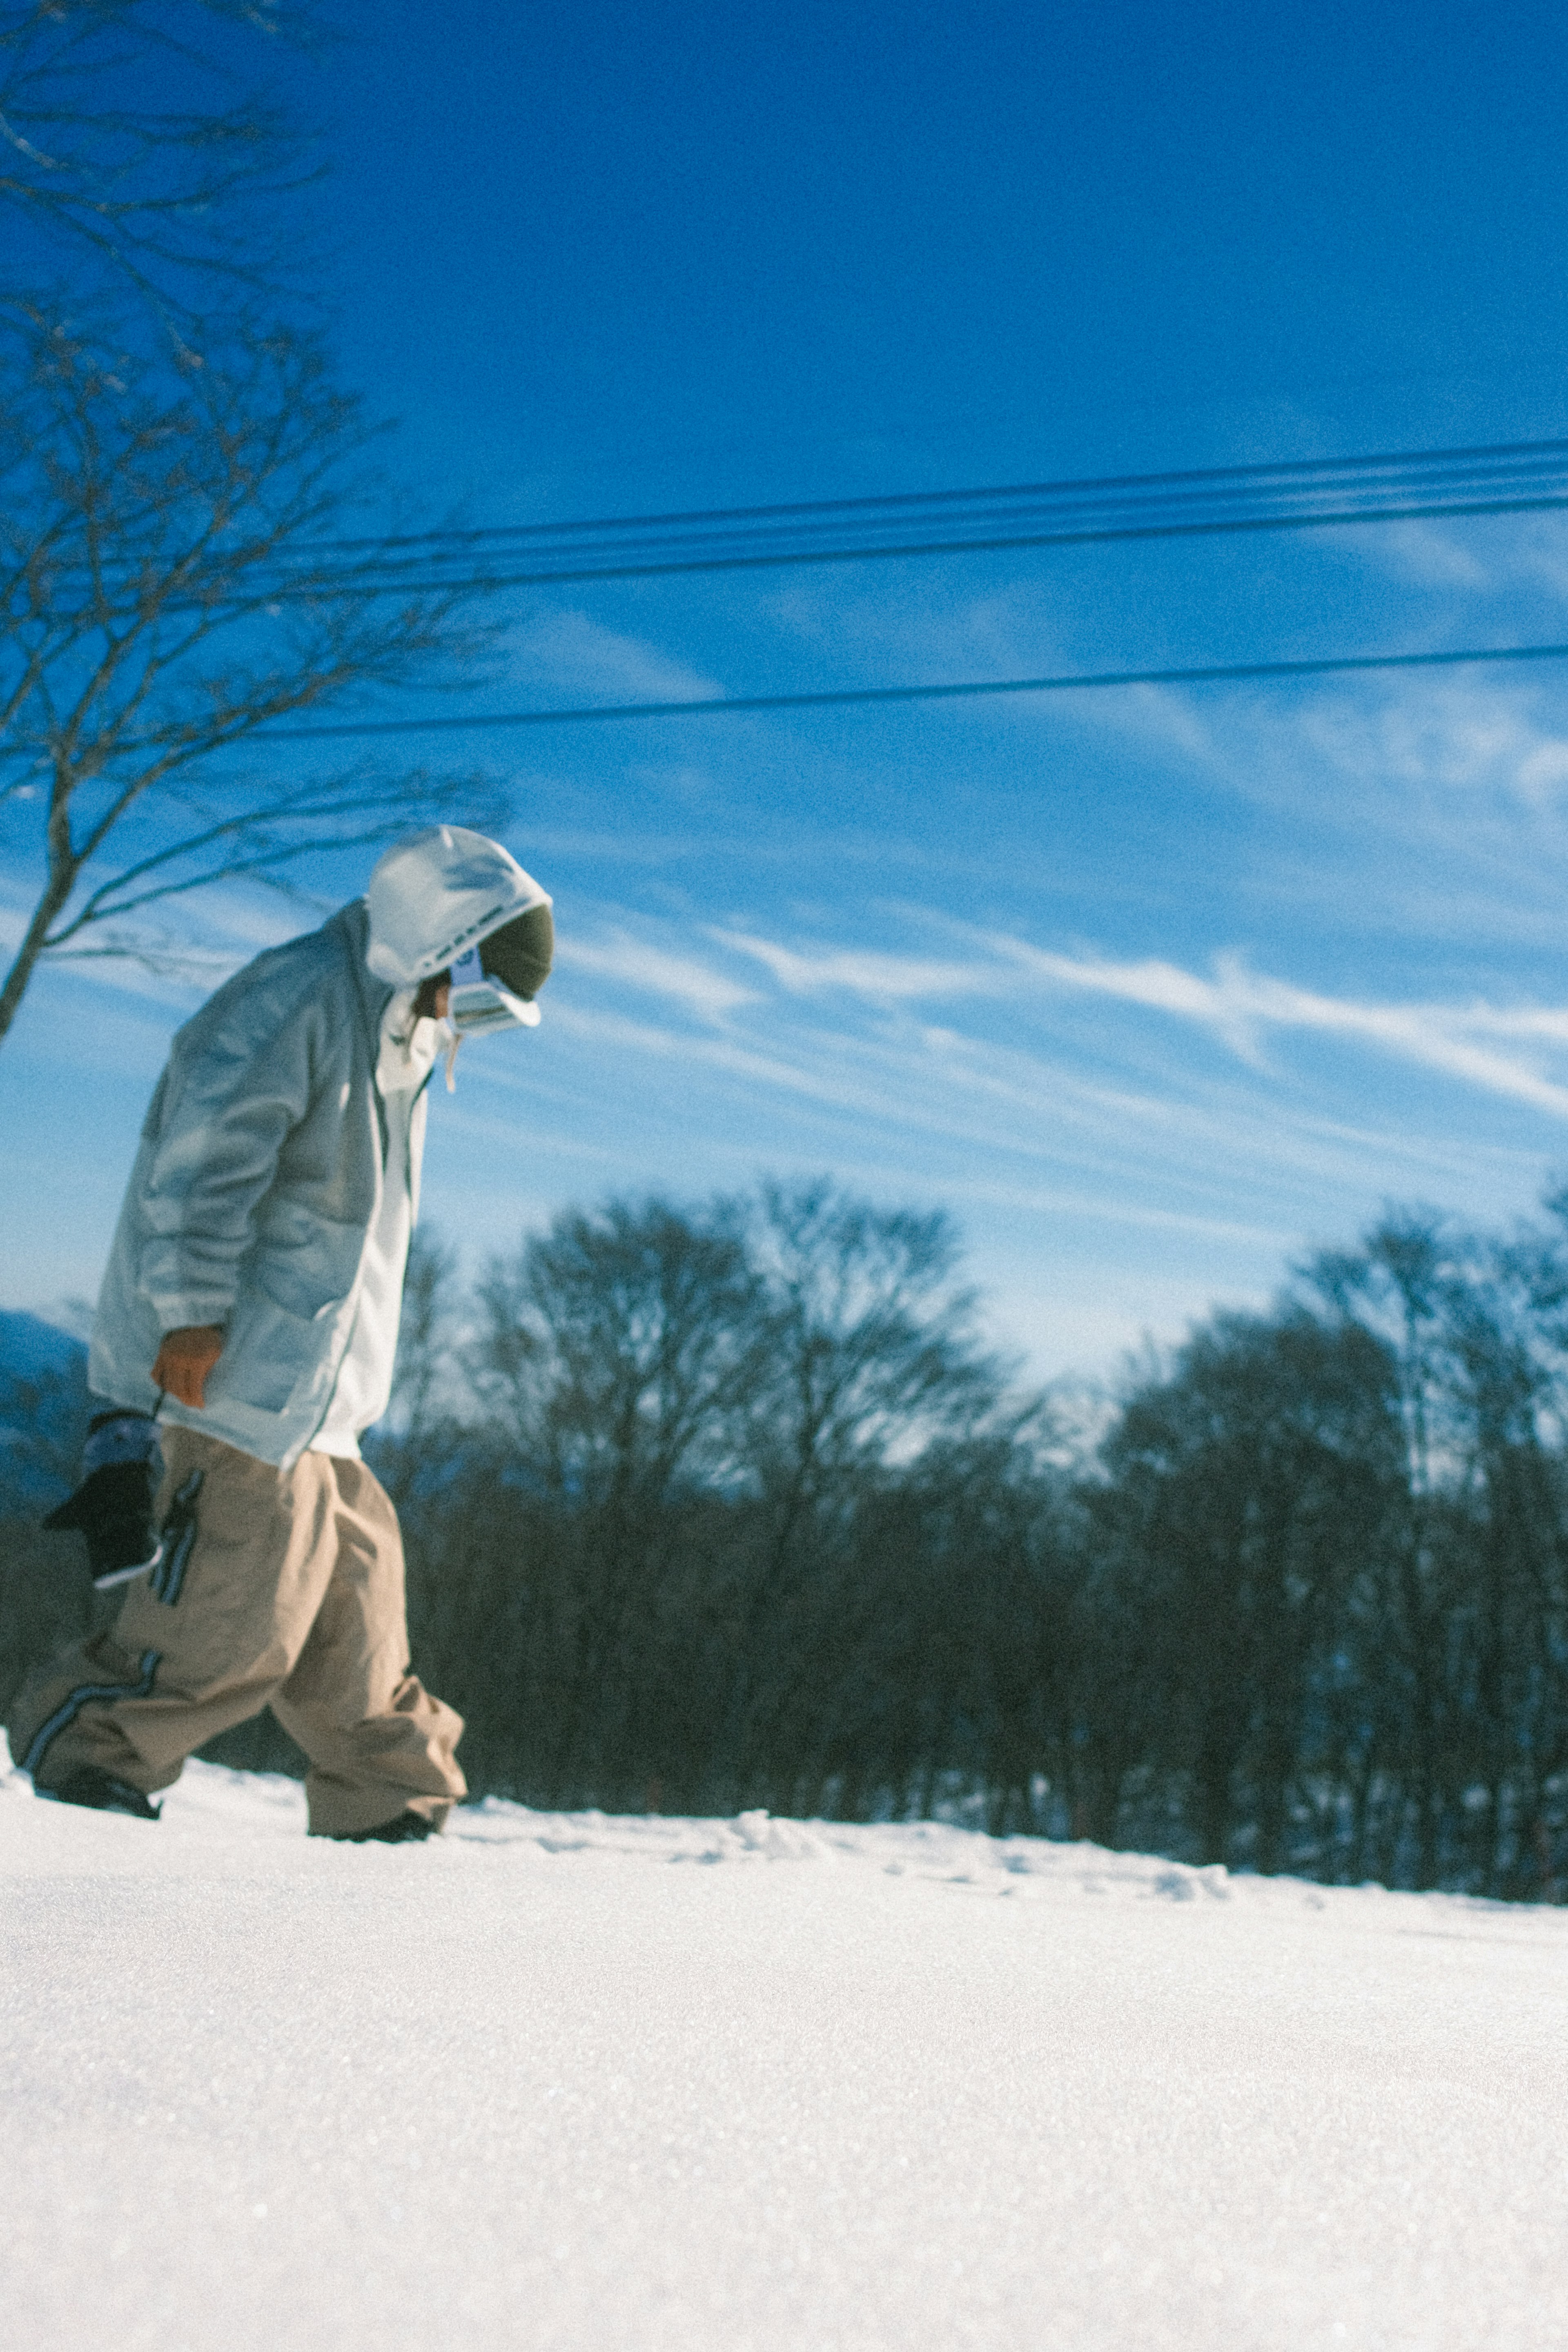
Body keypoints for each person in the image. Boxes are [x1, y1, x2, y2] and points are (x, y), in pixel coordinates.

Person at [7, 826, 553, 1840]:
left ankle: (390, 1808)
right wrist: (191, 1315)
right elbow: (203, 1164)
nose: (463, 1016)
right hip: (235, 1388)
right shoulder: (295, 999)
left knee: (361, 1629)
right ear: (437, 940)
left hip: (326, 1406)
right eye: (467, 983)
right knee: (228, 1628)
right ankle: (87, 1764)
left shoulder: (399, 1023)